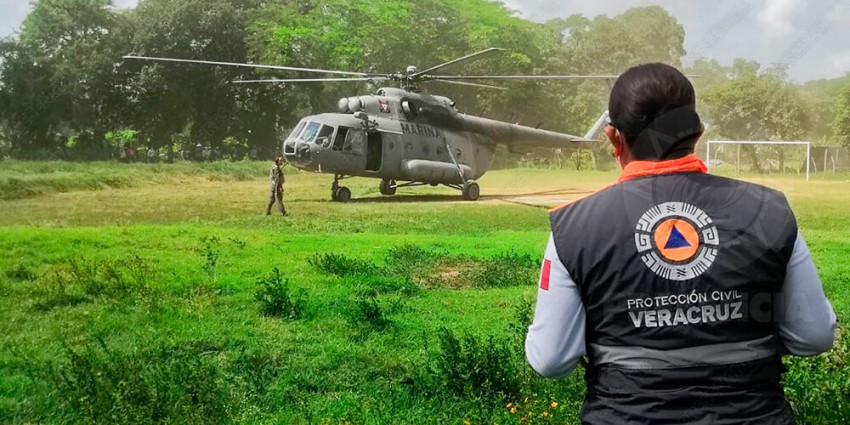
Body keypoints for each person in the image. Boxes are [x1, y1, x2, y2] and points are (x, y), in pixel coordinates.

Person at [525, 63, 836, 424]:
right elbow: (814, 336)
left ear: (613, 137)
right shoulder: (770, 210)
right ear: (696, 133)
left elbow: (550, 360)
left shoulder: (573, 225)